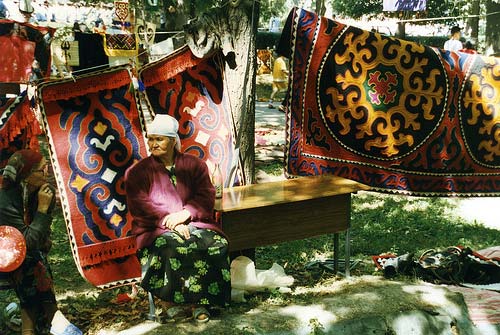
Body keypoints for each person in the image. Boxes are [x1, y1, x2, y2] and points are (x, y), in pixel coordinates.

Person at [124, 114, 231, 322]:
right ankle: (169, 302)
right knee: (171, 246)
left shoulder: (194, 165)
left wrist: (186, 214)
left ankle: (202, 302)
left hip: (194, 221)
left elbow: (206, 195)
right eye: (151, 139)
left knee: (216, 243)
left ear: (173, 141)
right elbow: (141, 205)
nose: (153, 144)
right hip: (155, 228)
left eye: (159, 139)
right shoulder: (137, 172)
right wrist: (169, 221)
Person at [0, 149, 82, 335]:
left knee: (33, 263)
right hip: (6, 254)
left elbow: (40, 240)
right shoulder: (5, 198)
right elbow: (27, 243)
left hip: (22, 255)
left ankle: (34, 325)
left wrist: (44, 206)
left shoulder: (43, 191)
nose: (47, 172)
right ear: (27, 175)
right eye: (42, 169)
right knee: (32, 262)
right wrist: (43, 209)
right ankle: (52, 317)